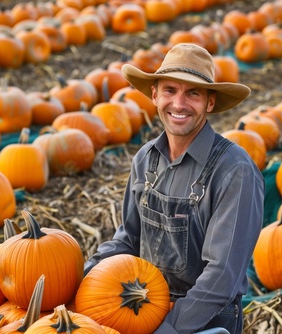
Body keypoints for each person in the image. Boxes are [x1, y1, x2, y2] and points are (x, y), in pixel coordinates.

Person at [84, 43, 265, 333]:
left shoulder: (235, 171)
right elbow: (128, 240)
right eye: (170, 90)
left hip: (204, 322)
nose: (179, 104)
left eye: (192, 93)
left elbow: (222, 277)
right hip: (142, 308)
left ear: (210, 102)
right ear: (154, 95)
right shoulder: (146, 159)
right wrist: (82, 278)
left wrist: (168, 328)